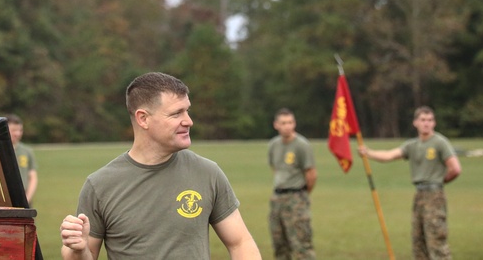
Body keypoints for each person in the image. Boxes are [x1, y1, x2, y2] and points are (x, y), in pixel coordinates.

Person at [60, 72, 261, 260]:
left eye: (187, 111)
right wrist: (77, 249)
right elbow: (84, 255)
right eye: (176, 114)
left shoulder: (207, 173)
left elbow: (240, 243)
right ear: (143, 118)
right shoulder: (100, 185)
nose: (189, 121)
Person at [358, 106, 462, 260]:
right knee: (418, 241)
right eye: (423, 120)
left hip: (434, 195)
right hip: (419, 195)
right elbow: (389, 155)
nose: (426, 123)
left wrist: (439, 181)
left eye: (430, 120)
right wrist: (368, 153)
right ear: (415, 123)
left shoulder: (440, 142)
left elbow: (455, 169)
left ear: (434, 123)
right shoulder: (412, 145)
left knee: (436, 240)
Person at [267, 108, 316, 260]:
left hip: (296, 197)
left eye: (290, 122)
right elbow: (275, 169)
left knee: (302, 245)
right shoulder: (273, 145)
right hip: (277, 198)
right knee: (279, 244)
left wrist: (301, 195)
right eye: (283, 123)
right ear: (276, 125)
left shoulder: (302, 145)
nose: (287, 126)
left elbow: (311, 174)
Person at [7, 114, 38, 204]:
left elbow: (33, 177)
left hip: (23, 196)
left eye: (20, 130)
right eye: (13, 130)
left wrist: (27, 198)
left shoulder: (27, 151)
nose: (17, 133)